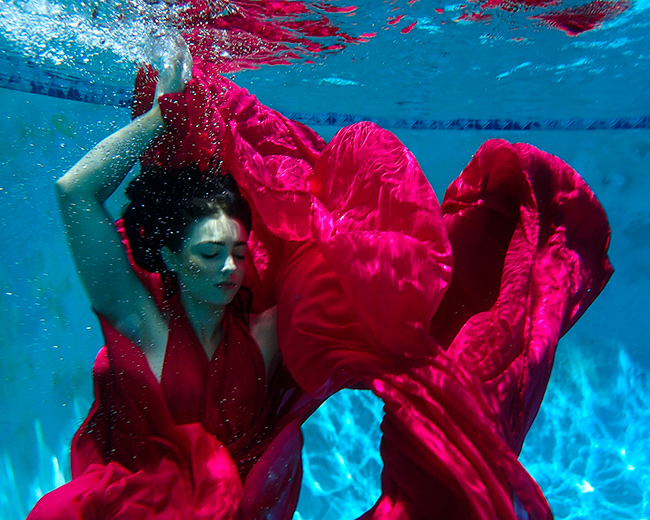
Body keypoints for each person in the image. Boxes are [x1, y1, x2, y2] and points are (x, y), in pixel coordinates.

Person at [30, 46, 613, 519]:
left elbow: (358, 312)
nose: (231, 268)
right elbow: (74, 192)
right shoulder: (139, 320)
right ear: (170, 257)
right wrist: (162, 119)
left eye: (237, 250)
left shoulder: (266, 327)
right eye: (211, 254)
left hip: (254, 500)